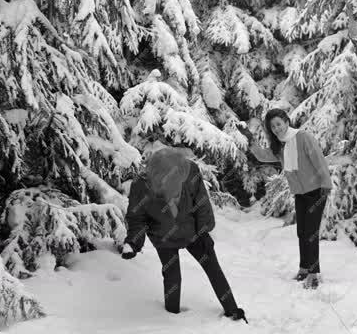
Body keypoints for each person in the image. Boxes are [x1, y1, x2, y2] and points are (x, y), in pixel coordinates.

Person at [121, 147, 247, 322]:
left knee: (213, 268)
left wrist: (203, 232)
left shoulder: (190, 171)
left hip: (193, 232)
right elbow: (137, 217)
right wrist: (133, 243)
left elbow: (202, 202)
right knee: (172, 276)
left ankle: (232, 310)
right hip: (163, 236)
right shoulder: (141, 186)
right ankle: (171, 317)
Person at [237, 109, 332, 289]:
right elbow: (262, 155)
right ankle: (304, 268)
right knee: (302, 232)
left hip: (317, 190)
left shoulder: (303, 137)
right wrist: (249, 138)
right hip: (300, 192)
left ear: (287, 122)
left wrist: (326, 183)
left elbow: (318, 159)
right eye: (273, 127)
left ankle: (313, 275)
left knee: (311, 233)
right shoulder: (280, 145)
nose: (276, 128)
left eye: (279, 124)